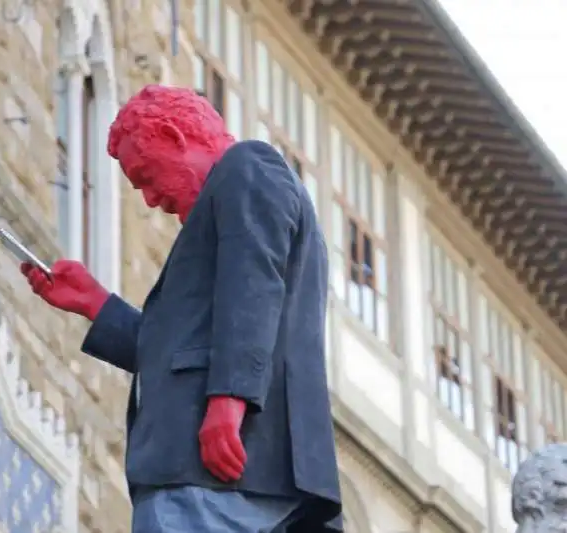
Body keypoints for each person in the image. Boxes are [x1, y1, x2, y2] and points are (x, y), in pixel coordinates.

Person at [22, 85, 342, 532]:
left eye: (148, 177)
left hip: (212, 470)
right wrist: (95, 304)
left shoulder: (247, 167)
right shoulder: (235, 198)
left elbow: (254, 286)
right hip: (228, 476)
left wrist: (228, 402)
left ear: (175, 136)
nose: (151, 199)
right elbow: (181, 352)